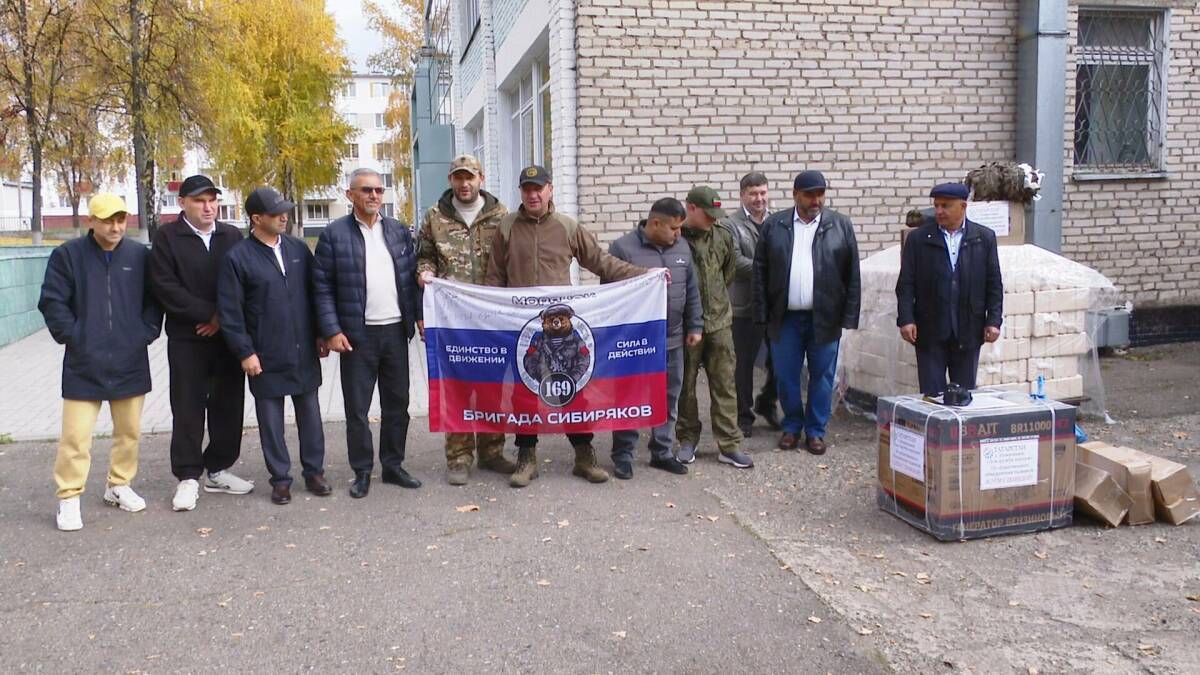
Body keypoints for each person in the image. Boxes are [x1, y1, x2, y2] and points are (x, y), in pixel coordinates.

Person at [484, 165, 647, 488]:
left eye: (538, 188)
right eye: (527, 188)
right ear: (521, 192)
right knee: (523, 393)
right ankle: (526, 457)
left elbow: (601, 262)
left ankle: (584, 455)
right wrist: (492, 316)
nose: (533, 194)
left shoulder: (567, 227)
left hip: (563, 327)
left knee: (574, 392)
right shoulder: (507, 227)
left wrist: (644, 275)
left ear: (550, 190)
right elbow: (494, 276)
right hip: (523, 328)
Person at [38, 193, 163, 531]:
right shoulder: (68, 255)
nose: (116, 226)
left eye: (121, 219)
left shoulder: (139, 256)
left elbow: (154, 301)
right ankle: (68, 497)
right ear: (91, 221)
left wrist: (145, 332)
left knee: (130, 432)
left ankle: (118, 485)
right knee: (76, 437)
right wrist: (74, 336)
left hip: (130, 358)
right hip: (83, 361)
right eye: (108, 220)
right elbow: (52, 301)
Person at [218, 187, 331, 505]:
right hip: (264, 354)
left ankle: (314, 473)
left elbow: (314, 294)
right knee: (271, 422)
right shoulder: (238, 258)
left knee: (311, 415)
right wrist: (245, 352)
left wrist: (321, 333)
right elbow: (231, 312)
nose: (285, 217)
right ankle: (280, 479)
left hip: (302, 349)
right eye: (276, 213)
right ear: (256, 219)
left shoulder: (297, 249)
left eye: (286, 211)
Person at [313, 168, 422, 499]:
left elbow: (411, 277)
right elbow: (321, 287)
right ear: (351, 195)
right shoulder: (334, 235)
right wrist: (331, 330)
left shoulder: (398, 231)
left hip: (394, 332)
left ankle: (393, 465)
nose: (374, 195)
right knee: (357, 410)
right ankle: (362, 471)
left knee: (397, 404)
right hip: (356, 336)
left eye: (378, 190)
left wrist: (417, 317)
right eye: (366, 190)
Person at [149, 174, 250, 512]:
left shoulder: (231, 235)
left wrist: (222, 317)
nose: (208, 207)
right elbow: (165, 287)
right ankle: (188, 476)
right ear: (183, 204)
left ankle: (218, 469)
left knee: (228, 405)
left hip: (226, 338)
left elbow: (242, 280)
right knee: (189, 408)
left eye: (212, 200)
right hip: (187, 338)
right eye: (199, 201)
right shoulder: (167, 237)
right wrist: (208, 314)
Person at [415, 155, 516, 485]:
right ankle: (459, 457)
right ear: (450, 180)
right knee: (456, 389)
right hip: (452, 319)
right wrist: (425, 274)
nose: (464, 183)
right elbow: (424, 256)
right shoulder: (435, 216)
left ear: (481, 178)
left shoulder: (501, 216)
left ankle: (492, 451)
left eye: (469, 177)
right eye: (458, 177)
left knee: (491, 387)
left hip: (491, 317)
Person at [754, 170, 860, 456]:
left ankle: (815, 431)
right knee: (786, 375)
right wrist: (762, 313)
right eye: (810, 194)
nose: (816, 200)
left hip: (825, 317)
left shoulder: (840, 225)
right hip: (785, 318)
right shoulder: (775, 226)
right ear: (795, 194)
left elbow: (852, 275)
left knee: (822, 376)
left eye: (820, 193)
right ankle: (791, 427)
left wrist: (849, 316)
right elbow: (760, 272)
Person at [604, 198, 702, 479]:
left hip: (672, 339)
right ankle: (623, 454)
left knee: (669, 397)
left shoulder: (683, 248)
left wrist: (695, 326)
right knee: (628, 397)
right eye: (674, 228)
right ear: (655, 223)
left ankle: (662, 451)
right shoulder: (623, 248)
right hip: (635, 343)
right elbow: (610, 297)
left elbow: (692, 289)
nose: (679, 234)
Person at [896, 182, 1003, 395]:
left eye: (945, 205)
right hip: (930, 330)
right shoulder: (919, 239)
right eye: (936, 205)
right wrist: (906, 319)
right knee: (932, 397)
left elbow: (993, 283)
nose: (939, 211)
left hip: (968, 329)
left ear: (963, 206)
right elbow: (906, 283)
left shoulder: (983, 238)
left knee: (963, 396)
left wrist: (993, 320)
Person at [676, 186, 754, 469]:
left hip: (720, 322)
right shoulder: (675, 238)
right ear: (691, 208)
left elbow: (728, 274)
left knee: (724, 383)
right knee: (685, 386)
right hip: (686, 325)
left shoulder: (722, 236)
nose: (713, 220)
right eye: (708, 214)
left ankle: (729, 444)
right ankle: (686, 439)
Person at [723, 171, 780, 437]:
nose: (759, 199)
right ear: (742, 195)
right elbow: (733, 261)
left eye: (763, 193)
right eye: (753, 194)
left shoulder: (779, 221)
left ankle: (767, 402)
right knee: (743, 366)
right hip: (744, 307)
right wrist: (769, 269)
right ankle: (743, 416)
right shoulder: (730, 225)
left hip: (777, 306)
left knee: (780, 361)